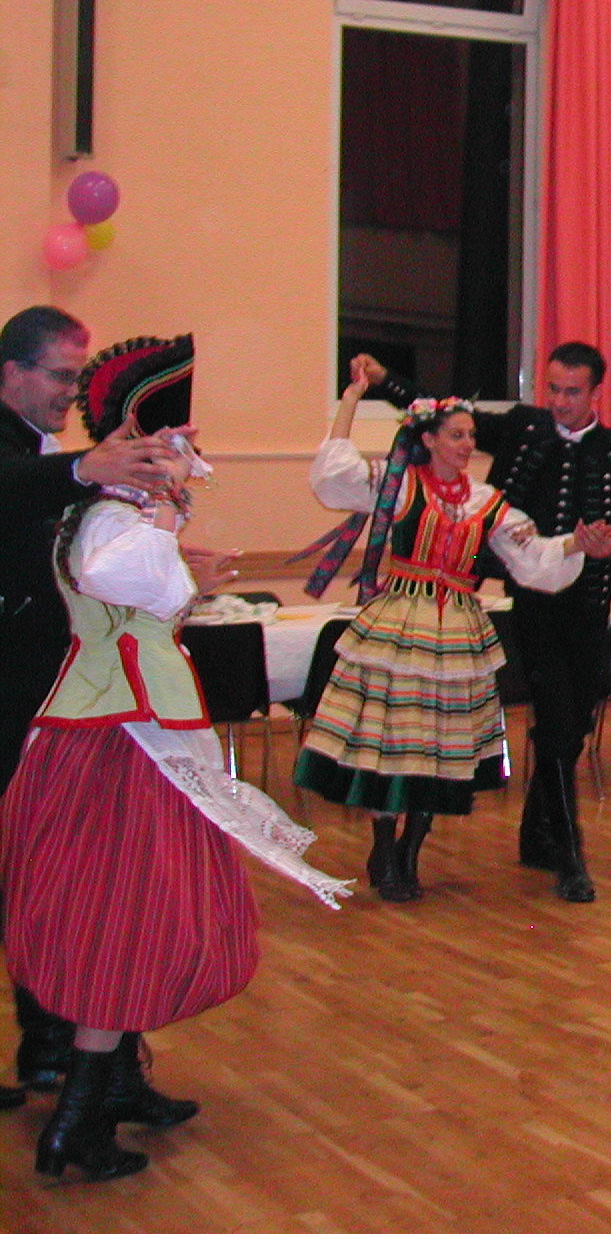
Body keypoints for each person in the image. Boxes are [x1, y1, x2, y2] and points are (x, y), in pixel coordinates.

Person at [0, 335, 347, 1181]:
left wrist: (176, 545)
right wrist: (164, 520)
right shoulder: (112, 515)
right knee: (125, 918)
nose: (193, 456)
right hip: (115, 741)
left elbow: (139, 588)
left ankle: (108, 1091)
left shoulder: (109, 513)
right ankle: (78, 1120)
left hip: (121, 730)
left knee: (135, 915)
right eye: (177, 441)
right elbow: (133, 583)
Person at [356, 345, 611, 902]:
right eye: (553, 389)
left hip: (589, 604)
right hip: (531, 602)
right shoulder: (522, 428)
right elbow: (438, 412)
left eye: (572, 392)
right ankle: (569, 856)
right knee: (556, 722)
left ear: (594, 393)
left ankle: (538, 837)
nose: (559, 401)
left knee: (572, 726)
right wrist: (384, 380)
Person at [294, 359, 587, 901]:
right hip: (401, 623)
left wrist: (577, 544)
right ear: (428, 439)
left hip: (456, 632)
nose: (467, 444)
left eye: (471, 435)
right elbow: (334, 475)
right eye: (456, 435)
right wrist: (352, 399)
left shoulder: (485, 501)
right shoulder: (399, 484)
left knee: (440, 744)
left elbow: (532, 556)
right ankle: (385, 844)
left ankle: (411, 850)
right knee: (394, 740)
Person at [0, 306, 185, 1103]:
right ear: (12, 371)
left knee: (59, 878)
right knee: (42, 877)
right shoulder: (32, 457)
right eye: (60, 376)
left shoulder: (44, 452)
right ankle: (71, 1059)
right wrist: (85, 469)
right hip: (17, 689)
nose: (69, 394)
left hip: (49, 687)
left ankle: (66, 1054)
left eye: (79, 378)